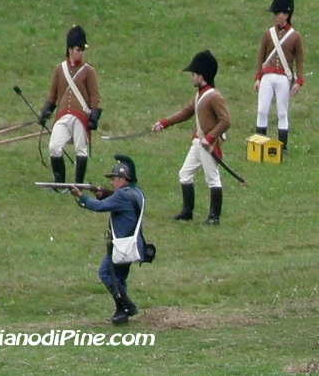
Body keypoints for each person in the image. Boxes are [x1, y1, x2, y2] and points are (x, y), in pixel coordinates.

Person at [152, 50, 231, 225]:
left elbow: (226, 121)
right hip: (198, 143)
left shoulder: (214, 96)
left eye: (194, 74)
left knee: (212, 178)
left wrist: (210, 138)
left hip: (207, 144)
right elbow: (186, 112)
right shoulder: (199, 95)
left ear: (201, 76)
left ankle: (214, 217)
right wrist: (164, 123)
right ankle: (187, 212)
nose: (191, 78)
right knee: (185, 174)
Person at [69, 155, 144, 325]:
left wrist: (81, 197)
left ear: (123, 180)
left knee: (105, 273)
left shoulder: (122, 196)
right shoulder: (136, 192)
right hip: (133, 244)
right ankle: (121, 312)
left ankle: (127, 306)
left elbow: (99, 207)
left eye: (114, 179)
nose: (112, 182)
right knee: (119, 278)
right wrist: (101, 194)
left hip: (121, 246)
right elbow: (116, 201)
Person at [38, 25, 102, 185]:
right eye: (78, 49)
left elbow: (95, 97)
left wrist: (94, 118)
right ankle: (59, 181)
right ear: (70, 49)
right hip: (62, 116)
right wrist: (45, 113)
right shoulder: (60, 69)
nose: (81, 53)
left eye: (82, 50)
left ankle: (78, 183)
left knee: (81, 149)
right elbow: (53, 95)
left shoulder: (88, 71)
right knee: (54, 147)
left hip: (80, 117)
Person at [254, 0, 304, 150]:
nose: (276, 17)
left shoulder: (295, 36)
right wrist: (258, 77)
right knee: (262, 110)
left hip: (283, 77)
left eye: (278, 13)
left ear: (286, 15)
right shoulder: (268, 34)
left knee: (282, 113)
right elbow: (261, 57)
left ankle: (283, 146)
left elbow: (299, 60)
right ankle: (259, 143)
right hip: (267, 75)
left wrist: (299, 81)